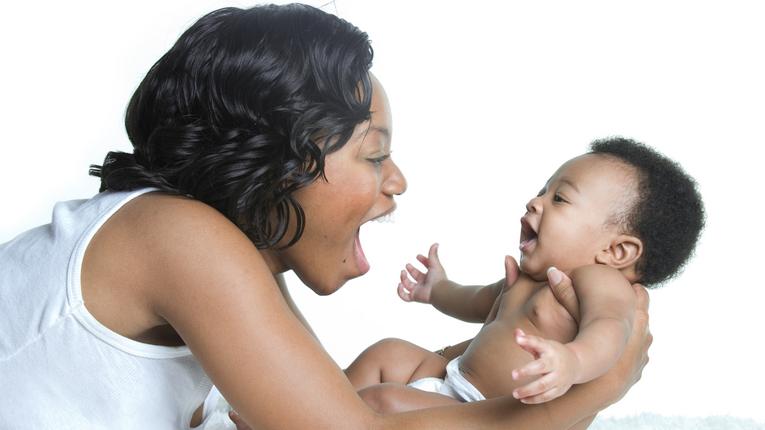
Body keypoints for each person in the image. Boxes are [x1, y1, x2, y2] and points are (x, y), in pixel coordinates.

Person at [0, 4, 652, 429]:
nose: (396, 181)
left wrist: (467, 361)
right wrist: (593, 394)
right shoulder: (182, 238)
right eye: (375, 155)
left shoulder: (221, 251)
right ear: (282, 163)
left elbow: (328, 409)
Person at [345, 138, 703, 424]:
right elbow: (476, 301)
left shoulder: (600, 283)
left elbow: (610, 329)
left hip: (492, 414)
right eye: (543, 190)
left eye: (560, 198)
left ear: (617, 252)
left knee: (381, 402)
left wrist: (572, 361)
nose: (535, 201)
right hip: (450, 387)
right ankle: (312, 407)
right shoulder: (530, 277)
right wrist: (438, 289)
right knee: (387, 352)